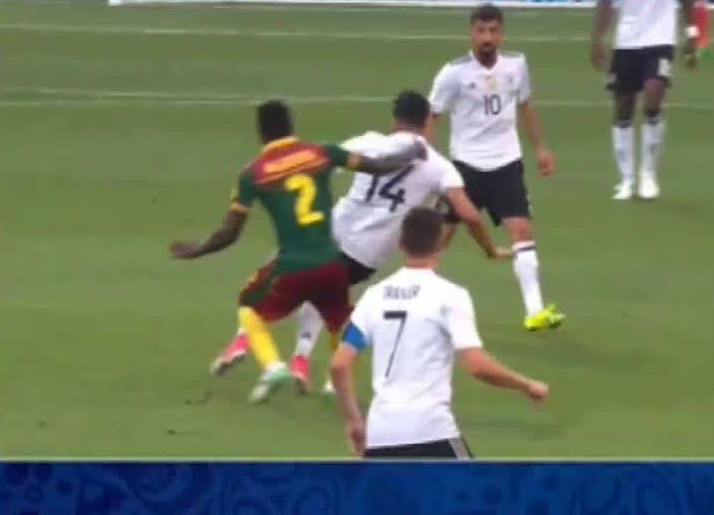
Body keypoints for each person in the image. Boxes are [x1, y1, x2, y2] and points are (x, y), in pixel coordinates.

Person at [209, 91, 510, 391]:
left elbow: (319, 163)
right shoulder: (441, 167)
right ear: (428, 122)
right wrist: (490, 249)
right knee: (325, 295)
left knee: (280, 283)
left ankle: (252, 345)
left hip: (329, 232)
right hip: (366, 255)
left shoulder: (371, 142)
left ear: (395, 120)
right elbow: (469, 215)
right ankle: (313, 367)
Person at [171, 100, 423, 402]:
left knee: (249, 306)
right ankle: (340, 382)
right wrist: (413, 150)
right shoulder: (321, 153)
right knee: (339, 323)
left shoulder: (252, 174)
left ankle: (273, 366)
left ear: (261, 133)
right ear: (291, 125)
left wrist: (198, 250)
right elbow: (381, 166)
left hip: (291, 266)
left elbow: (229, 234)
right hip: (332, 263)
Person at [329, 207, 549, 459]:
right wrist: (526, 385)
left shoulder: (374, 296)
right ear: (440, 246)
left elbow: (339, 365)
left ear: (400, 244)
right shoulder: (449, 296)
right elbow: (477, 366)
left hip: (381, 436)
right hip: (430, 430)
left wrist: (355, 422)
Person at [428, 3, 564, 333]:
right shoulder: (453, 73)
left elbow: (525, 104)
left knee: (522, 232)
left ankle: (534, 310)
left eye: (493, 31)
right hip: (465, 167)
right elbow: (432, 116)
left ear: (502, 33)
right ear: (471, 33)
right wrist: (429, 162)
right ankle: (420, 303)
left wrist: (540, 147)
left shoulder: (516, 65)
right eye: (480, 31)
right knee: (438, 239)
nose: (487, 37)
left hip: (506, 164)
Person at [591, 0, 699, 201]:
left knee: (652, 100)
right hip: (626, 44)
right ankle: (627, 179)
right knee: (623, 110)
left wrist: (692, 34)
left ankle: (648, 175)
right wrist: (597, 39)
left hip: (660, 42)